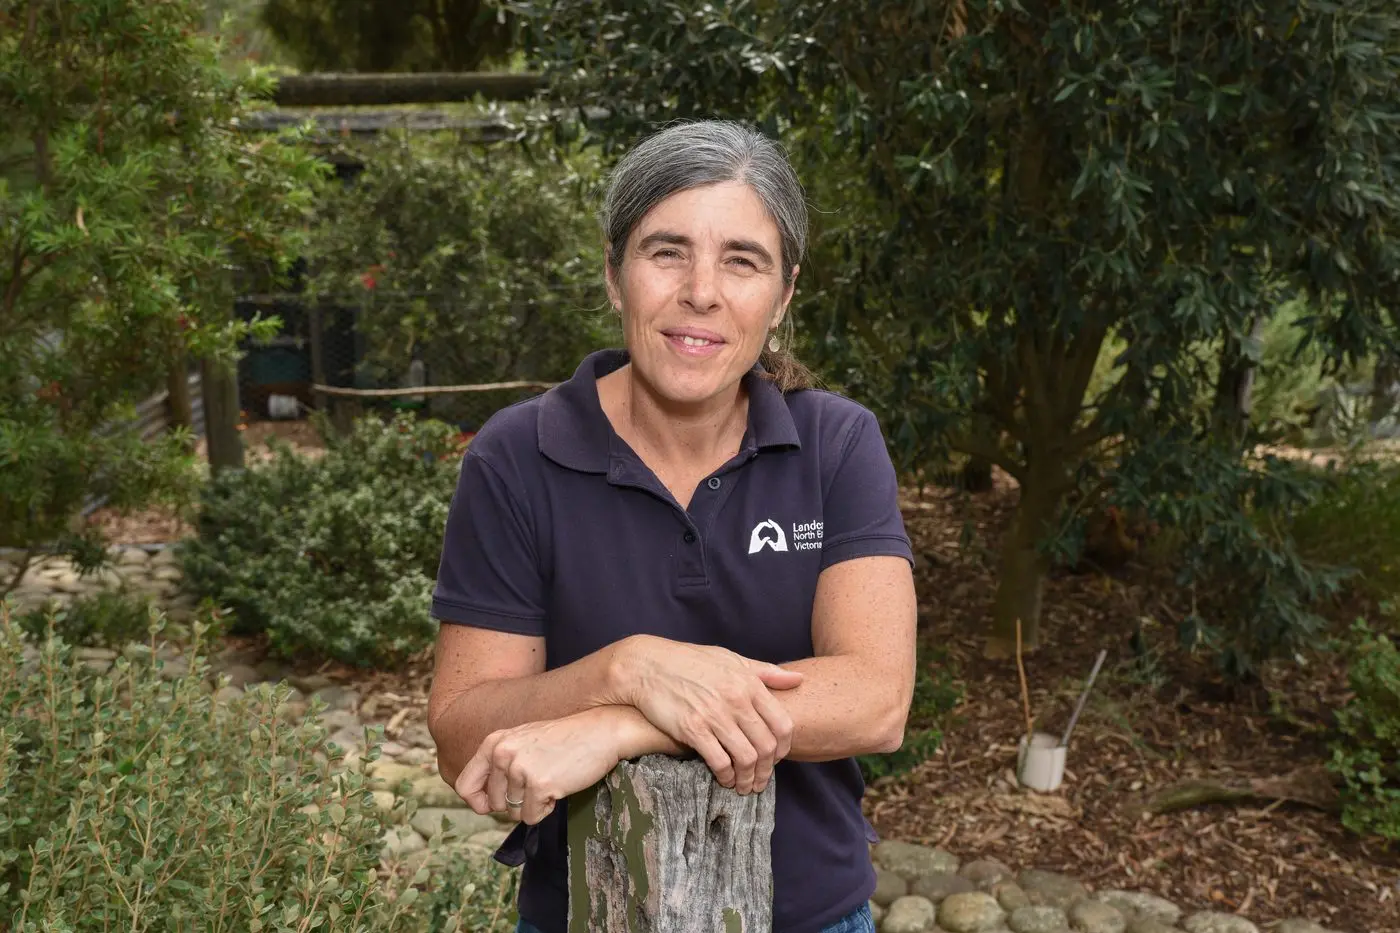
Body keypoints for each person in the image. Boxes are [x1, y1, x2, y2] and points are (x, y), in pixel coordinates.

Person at [426, 119, 917, 933]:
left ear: (784, 291)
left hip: (809, 916)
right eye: (666, 251)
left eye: (742, 260)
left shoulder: (836, 443)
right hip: (582, 915)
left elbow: (874, 700)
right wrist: (625, 666)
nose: (702, 291)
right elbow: (461, 734)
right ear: (616, 275)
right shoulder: (516, 456)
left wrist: (624, 721)